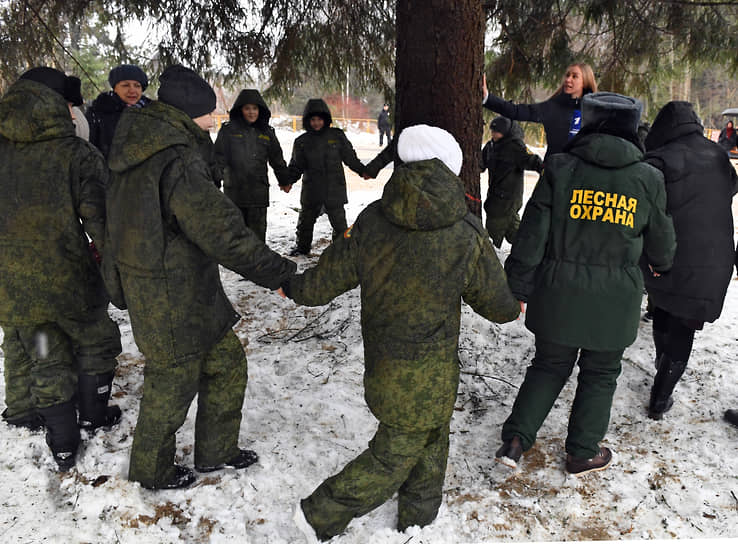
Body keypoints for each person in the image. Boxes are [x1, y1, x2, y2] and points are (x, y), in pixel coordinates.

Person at [281, 124, 521, 541]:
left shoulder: (373, 220)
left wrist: (295, 287)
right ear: (450, 170)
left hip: (386, 361)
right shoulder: (464, 233)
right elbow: (499, 308)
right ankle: (319, 513)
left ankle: (419, 517)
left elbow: (324, 281)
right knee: (396, 452)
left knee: (431, 435)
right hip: (432, 366)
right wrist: (513, 303)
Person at [103, 65, 297, 490]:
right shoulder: (177, 159)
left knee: (227, 365)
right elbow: (222, 232)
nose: (214, 119)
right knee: (170, 387)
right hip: (169, 294)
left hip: (184, 288)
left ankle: (217, 451)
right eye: (209, 112)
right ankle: (151, 473)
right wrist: (279, 274)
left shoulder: (143, 144)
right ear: (190, 113)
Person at [498, 92, 676, 475]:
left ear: (590, 123)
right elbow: (662, 247)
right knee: (600, 373)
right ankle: (582, 452)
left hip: (557, 291)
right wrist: (661, 265)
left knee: (548, 365)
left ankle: (515, 440)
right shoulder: (648, 179)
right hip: (615, 301)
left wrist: (519, 286)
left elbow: (532, 233)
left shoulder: (561, 169)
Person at [0, 67, 122, 471]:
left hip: (14, 285)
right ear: (57, 105)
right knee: (96, 340)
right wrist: (116, 276)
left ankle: (63, 442)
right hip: (72, 280)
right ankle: (93, 415)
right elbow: (100, 223)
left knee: (43, 351)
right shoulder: (76, 153)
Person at [641, 101, 738, 420]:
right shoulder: (719, 155)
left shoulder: (658, 159)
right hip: (713, 258)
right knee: (685, 324)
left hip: (668, 253)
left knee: (664, 308)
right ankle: (661, 394)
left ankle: (661, 372)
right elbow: (732, 187)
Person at [285, 98, 366, 256]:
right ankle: (302, 248)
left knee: (340, 224)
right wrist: (287, 181)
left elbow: (350, 158)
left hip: (334, 189)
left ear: (325, 119)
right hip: (312, 190)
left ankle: (342, 248)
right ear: (308, 121)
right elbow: (296, 166)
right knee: (305, 223)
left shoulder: (337, 136)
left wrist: (363, 171)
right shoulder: (302, 142)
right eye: (313, 120)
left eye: (319, 119)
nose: (316, 123)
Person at [213, 89, 292, 242]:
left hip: (258, 193)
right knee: (236, 235)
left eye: (255, 108)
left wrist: (284, 180)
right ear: (240, 110)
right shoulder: (228, 130)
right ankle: (238, 265)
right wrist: (213, 181)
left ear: (260, 110)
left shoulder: (267, 132)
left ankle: (258, 265)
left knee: (257, 236)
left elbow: (277, 158)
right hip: (235, 192)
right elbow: (218, 158)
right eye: (247, 108)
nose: (251, 112)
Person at [483, 63, 598, 161]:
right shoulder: (552, 107)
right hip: (554, 173)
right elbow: (516, 111)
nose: (568, 79)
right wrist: (487, 98)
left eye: (574, 76)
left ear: (585, 81)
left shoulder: (595, 111)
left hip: (583, 177)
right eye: (567, 75)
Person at [481, 116, 543, 248]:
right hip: (495, 196)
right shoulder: (491, 146)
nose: (493, 134)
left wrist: (546, 171)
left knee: (493, 228)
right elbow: (481, 163)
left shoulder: (516, 147)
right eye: (492, 131)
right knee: (514, 231)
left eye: (496, 132)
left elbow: (532, 160)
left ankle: (491, 252)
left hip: (509, 197)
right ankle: (528, 250)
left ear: (505, 132)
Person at [86, 64, 151, 158]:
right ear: (115, 88)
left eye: (137, 86)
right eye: (125, 85)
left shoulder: (152, 113)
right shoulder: (98, 113)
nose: (132, 90)